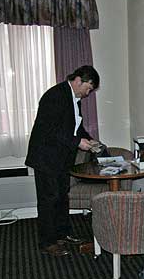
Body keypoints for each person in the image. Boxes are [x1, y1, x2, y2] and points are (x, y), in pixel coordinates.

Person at [25, 66, 100, 257]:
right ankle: (47, 242)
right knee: (49, 199)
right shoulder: (55, 96)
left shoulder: (74, 99)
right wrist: (77, 142)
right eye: (88, 88)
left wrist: (89, 140)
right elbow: (50, 130)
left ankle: (62, 234)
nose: (88, 93)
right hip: (46, 157)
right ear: (78, 80)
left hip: (61, 158)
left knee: (61, 197)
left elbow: (76, 128)